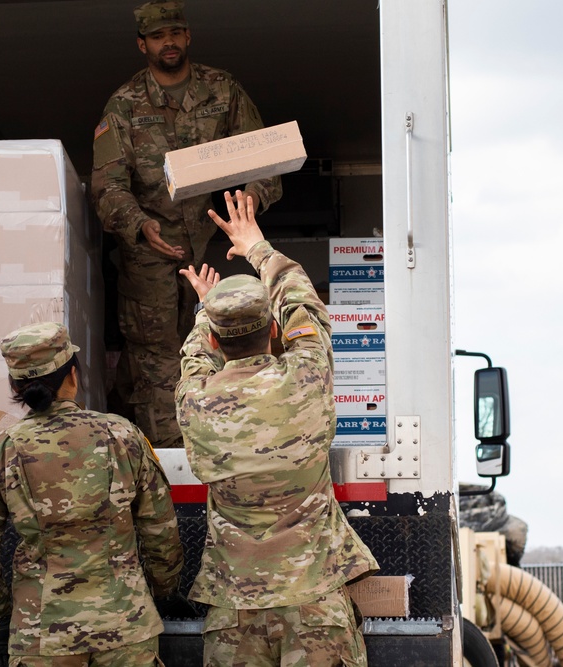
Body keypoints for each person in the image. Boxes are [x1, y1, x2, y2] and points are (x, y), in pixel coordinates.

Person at [175, 190, 380, 667]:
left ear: (213, 339)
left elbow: (194, 359)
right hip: (315, 604)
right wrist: (256, 246)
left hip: (234, 613)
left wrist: (211, 307)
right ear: (273, 330)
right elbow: (303, 305)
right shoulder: (307, 377)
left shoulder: (196, 403)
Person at [91, 0, 283, 450]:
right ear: (143, 45)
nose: (169, 42)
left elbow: (264, 158)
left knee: (226, 341)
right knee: (156, 359)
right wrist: (139, 225)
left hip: (211, 241)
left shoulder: (223, 89)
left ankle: (219, 442)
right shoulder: (123, 105)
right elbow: (106, 187)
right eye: (158, 37)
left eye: (175, 33)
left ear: (188, 36)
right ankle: (170, 460)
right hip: (147, 255)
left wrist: (251, 199)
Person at [0, 321, 186, 667]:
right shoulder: (123, 436)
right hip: (126, 629)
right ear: (73, 377)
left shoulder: (3, 451)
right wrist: (163, 592)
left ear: (16, 387)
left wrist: (2, 616)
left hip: (41, 635)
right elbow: (161, 532)